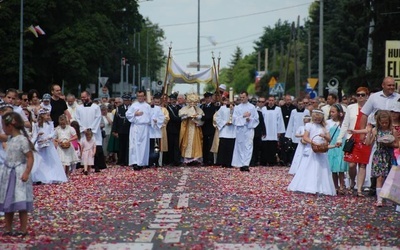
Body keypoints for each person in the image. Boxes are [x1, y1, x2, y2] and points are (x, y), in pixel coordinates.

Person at [0, 112, 35, 237]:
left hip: (19, 173)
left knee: (21, 202)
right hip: (8, 173)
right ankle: (8, 228)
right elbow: (1, 137)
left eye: (3, 125)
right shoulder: (10, 138)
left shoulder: (22, 140)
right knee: (8, 201)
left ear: (10, 126)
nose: (2, 128)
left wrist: (26, 172)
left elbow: (30, 157)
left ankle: (23, 228)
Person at [288, 109, 336, 196]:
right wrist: (312, 142)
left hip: (321, 149)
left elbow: (329, 139)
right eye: (315, 119)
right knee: (308, 166)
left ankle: (320, 187)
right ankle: (306, 186)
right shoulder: (309, 125)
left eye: (319, 119)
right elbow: (305, 137)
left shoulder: (325, 127)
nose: (317, 120)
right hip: (311, 148)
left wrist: (324, 136)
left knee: (321, 168)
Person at [337, 87, 372, 197]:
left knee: (362, 164)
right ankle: (352, 181)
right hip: (352, 138)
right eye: (358, 95)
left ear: (367, 96)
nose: (360, 97)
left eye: (363, 95)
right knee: (351, 164)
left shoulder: (372, 108)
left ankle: (360, 189)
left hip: (365, 138)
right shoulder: (351, 108)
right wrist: (339, 138)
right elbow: (345, 124)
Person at [365, 110, 397, 207]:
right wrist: (369, 132)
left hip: (388, 154)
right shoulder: (376, 130)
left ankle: (388, 197)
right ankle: (379, 199)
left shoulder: (392, 130)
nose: (384, 124)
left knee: (389, 178)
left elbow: (397, 144)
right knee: (379, 177)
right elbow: (368, 143)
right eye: (382, 122)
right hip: (379, 155)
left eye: (386, 123)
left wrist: (390, 143)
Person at [31, 109, 67, 184]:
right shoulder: (36, 125)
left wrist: (48, 137)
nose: (48, 116)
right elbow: (34, 135)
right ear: (42, 116)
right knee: (40, 161)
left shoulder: (50, 124)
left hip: (48, 144)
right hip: (40, 144)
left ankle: (51, 176)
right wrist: (37, 137)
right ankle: (39, 177)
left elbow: (52, 133)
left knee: (50, 161)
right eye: (46, 115)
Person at [75, 91, 105, 172]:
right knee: (84, 148)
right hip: (83, 131)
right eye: (82, 97)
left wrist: (91, 129)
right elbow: (77, 119)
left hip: (93, 131)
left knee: (95, 146)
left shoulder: (96, 107)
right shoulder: (79, 108)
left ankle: (96, 166)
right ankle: (84, 166)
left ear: (89, 96)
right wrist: (83, 129)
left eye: (84, 97)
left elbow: (98, 118)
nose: (83, 98)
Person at [231, 91, 259, 172]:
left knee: (248, 146)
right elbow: (234, 119)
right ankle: (241, 163)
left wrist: (249, 119)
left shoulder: (252, 107)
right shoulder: (237, 107)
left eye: (243, 97)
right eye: (241, 97)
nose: (242, 99)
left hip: (249, 129)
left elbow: (256, 119)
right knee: (240, 146)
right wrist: (243, 117)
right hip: (240, 129)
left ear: (247, 97)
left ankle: (246, 164)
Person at [126, 90, 152, 170]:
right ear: (137, 97)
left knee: (143, 145)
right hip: (136, 127)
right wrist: (135, 114)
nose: (140, 98)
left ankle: (142, 162)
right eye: (139, 96)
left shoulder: (147, 106)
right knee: (135, 145)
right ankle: (135, 162)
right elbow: (127, 114)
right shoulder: (134, 105)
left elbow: (151, 116)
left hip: (144, 127)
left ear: (144, 97)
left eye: (142, 96)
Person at [327, 104, 348, 195]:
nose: (331, 114)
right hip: (332, 147)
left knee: (341, 168)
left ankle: (342, 186)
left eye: (333, 112)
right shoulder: (328, 122)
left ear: (340, 113)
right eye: (330, 112)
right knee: (333, 169)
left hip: (341, 147)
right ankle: (335, 186)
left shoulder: (344, 123)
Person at [178, 93, 204, 165]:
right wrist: (186, 116)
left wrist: (198, 118)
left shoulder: (199, 109)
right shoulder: (184, 109)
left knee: (196, 143)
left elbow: (202, 118)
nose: (192, 104)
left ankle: (196, 158)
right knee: (186, 142)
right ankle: (186, 158)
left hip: (195, 128)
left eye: (194, 102)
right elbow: (181, 116)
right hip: (187, 129)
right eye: (191, 102)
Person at [260, 96, 286, 166]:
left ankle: (272, 161)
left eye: (272, 100)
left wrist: (279, 131)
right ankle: (264, 161)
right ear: (268, 101)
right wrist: (262, 130)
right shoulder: (264, 109)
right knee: (265, 147)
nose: (271, 102)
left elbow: (280, 120)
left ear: (274, 101)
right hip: (266, 130)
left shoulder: (278, 109)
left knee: (273, 147)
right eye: (270, 100)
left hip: (274, 131)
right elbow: (262, 121)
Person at [284, 98, 311, 165]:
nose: (301, 105)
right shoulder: (293, 111)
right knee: (294, 149)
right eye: (299, 104)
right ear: (297, 104)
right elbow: (291, 123)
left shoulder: (307, 112)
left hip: (304, 131)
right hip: (295, 133)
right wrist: (289, 134)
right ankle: (293, 162)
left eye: (302, 104)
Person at [111, 94, 131, 166]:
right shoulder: (119, 108)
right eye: (125, 100)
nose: (126, 102)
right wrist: (114, 130)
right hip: (121, 130)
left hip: (130, 130)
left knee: (129, 146)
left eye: (128, 100)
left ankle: (128, 160)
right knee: (121, 146)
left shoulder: (132, 108)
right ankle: (121, 160)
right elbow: (115, 120)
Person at [216, 97, 236, 168]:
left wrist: (232, 121)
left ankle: (230, 162)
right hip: (224, 131)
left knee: (231, 148)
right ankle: (222, 162)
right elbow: (218, 118)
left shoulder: (236, 108)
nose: (228, 102)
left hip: (233, 131)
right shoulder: (222, 108)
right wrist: (225, 123)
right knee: (223, 148)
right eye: (227, 100)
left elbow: (238, 117)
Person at [200, 92, 218, 166]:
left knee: (210, 144)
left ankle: (210, 159)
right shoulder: (202, 107)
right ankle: (205, 159)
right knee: (205, 144)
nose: (207, 99)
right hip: (204, 128)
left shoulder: (213, 107)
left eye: (208, 98)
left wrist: (202, 117)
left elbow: (210, 116)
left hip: (211, 128)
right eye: (206, 98)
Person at [148, 93, 165, 167]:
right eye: (151, 100)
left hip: (155, 131)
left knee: (156, 148)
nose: (152, 102)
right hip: (147, 131)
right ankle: (149, 162)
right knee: (148, 147)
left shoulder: (158, 109)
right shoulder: (146, 108)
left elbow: (162, 118)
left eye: (154, 101)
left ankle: (156, 161)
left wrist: (157, 121)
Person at [164, 93, 181, 166]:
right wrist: (180, 119)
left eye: (174, 100)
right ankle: (170, 160)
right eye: (172, 100)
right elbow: (171, 118)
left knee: (177, 146)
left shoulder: (180, 108)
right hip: (170, 129)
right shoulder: (167, 108)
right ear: (169, 100)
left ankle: (176, 160)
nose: (173, 101)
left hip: (178, 129)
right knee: (170, 145)